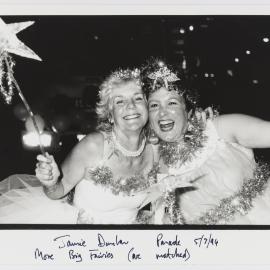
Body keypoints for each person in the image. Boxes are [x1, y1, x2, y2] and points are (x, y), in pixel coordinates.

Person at [0, 68, 156, 224]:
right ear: (110, 115)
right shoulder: (93, 146)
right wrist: (51, 183)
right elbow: (57, 192)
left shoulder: (154, 149)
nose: (131, 106)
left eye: (138, 98)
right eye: (120, 101)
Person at [143, 60, 270, 225]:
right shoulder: (153, 166)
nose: (162, 112)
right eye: (154, 105)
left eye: (172, 102)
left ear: (188, 111)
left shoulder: (220, 130)